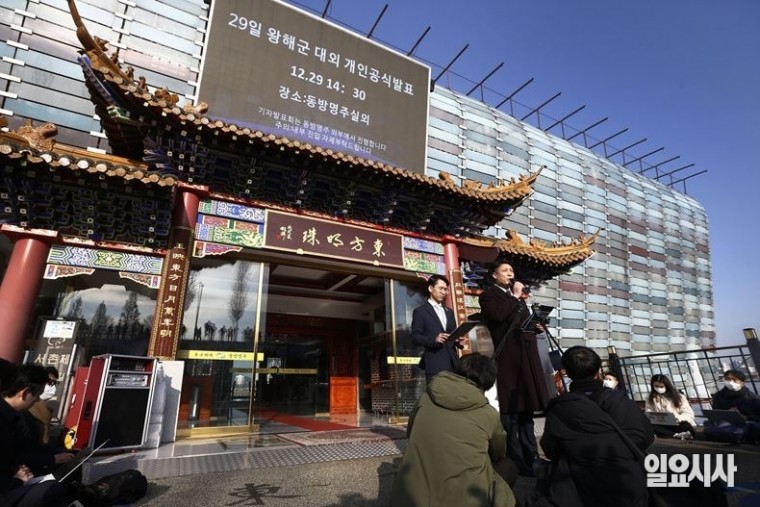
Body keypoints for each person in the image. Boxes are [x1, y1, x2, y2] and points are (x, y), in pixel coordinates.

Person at [389, 353, 517, 507]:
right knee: (508, 465)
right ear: (488, 383)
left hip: (410, 499)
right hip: (466, 499)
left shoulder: (425, 398)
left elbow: (411, 433)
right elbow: (499, 452)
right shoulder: (489, 413)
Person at [538, 346, 654, 507]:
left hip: (577, 487)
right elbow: (645, 437)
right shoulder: (620, 401)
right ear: (598, 371)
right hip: (629, 487)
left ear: (567, 372)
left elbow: (550, 449)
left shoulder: (561, 407)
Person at [478, 260, 550, 476]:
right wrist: (515, 296)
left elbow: (521, 322)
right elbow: (499, 316)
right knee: (512, 411)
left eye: (511, 270)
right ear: (494, 275)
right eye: (505, 271)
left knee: (527, 410)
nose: (510, 274)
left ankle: (532, 455)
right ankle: (515, 459)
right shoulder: (489, 296)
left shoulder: (517, 299)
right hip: (509, 358)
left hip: (527, 355)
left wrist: (537, 325)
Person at [0, 360, 67, 507]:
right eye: (37, 395)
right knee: (51, 490)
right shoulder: (9, 419)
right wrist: (17, 480)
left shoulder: (13, 417)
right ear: (25, 393)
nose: (37, 400)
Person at [411, 274, 461, 383]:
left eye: (446, 289)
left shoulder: (449, 312)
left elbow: (452, 334)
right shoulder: (420, 312)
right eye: (441, 288)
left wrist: (457, 340)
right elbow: (414, 337)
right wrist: (434, 339)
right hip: (435, 363)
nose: (444, 292)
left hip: (454, 363)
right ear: (430, 288)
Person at [706, 369, 760, 444]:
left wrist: (747, 417)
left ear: (742, 383)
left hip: (747, 422)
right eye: (728, 379)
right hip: (725, 422)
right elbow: (716, 412)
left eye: (734, 380)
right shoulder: (718, 396)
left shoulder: (753, 398)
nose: (731, 382)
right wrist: (727, 414)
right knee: (710, 424)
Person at [644, 374, 696, 439]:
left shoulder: (679, 397)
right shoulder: (650, 398)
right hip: (661, 424)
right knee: (648, 425)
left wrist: (678, 418)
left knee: (686, 425)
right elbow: (649, 411)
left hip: (677, 423)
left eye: (661, 386)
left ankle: (667, 434)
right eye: (656, 386)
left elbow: (688, 413)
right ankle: (674, 435)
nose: (658, 388)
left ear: (666, 386)